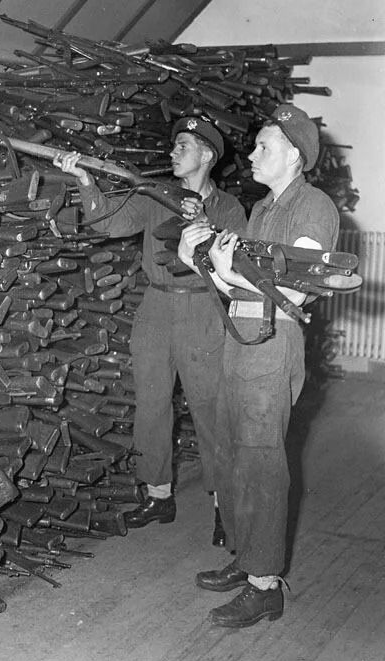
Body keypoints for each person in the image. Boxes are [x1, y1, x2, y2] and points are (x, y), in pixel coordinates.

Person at [178, 103, 339, 627]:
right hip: (242, 335)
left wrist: (231, 270)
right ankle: (246, 559)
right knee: (232, 453)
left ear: (293, 155)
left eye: (263, 146)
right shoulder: (263, 209)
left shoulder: (313, 208)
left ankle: (265, 584)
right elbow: (235, 285)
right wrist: (199, 262)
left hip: (274, 342)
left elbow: (296, 286)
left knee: (263, 462)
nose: (251, 154)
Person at [53, 117, 247, 535]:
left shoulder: (229, 208)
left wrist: (206, 230)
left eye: (182, 146)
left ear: (207, 155)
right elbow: (108, 221)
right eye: (174, 146)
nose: (173, 153)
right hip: (156, 309)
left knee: (210, 410)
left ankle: (224, 505)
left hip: (203, 309)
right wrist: (85, 180)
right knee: (152, 407)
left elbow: (237, 266)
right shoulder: (157, 195)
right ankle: (158, 495)